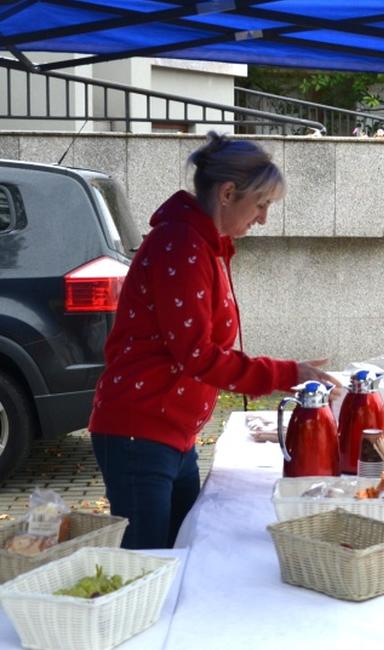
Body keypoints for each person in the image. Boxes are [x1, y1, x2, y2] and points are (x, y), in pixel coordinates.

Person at [89, 132, 334, 550]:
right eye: (261, 205)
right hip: (141, 433)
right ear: (227, 193)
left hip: (169, 434)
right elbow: (199, 356)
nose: (262, 219)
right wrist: (286, 373)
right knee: (149, 568)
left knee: (182, 554)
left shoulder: (200, 243)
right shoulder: (181, 244)